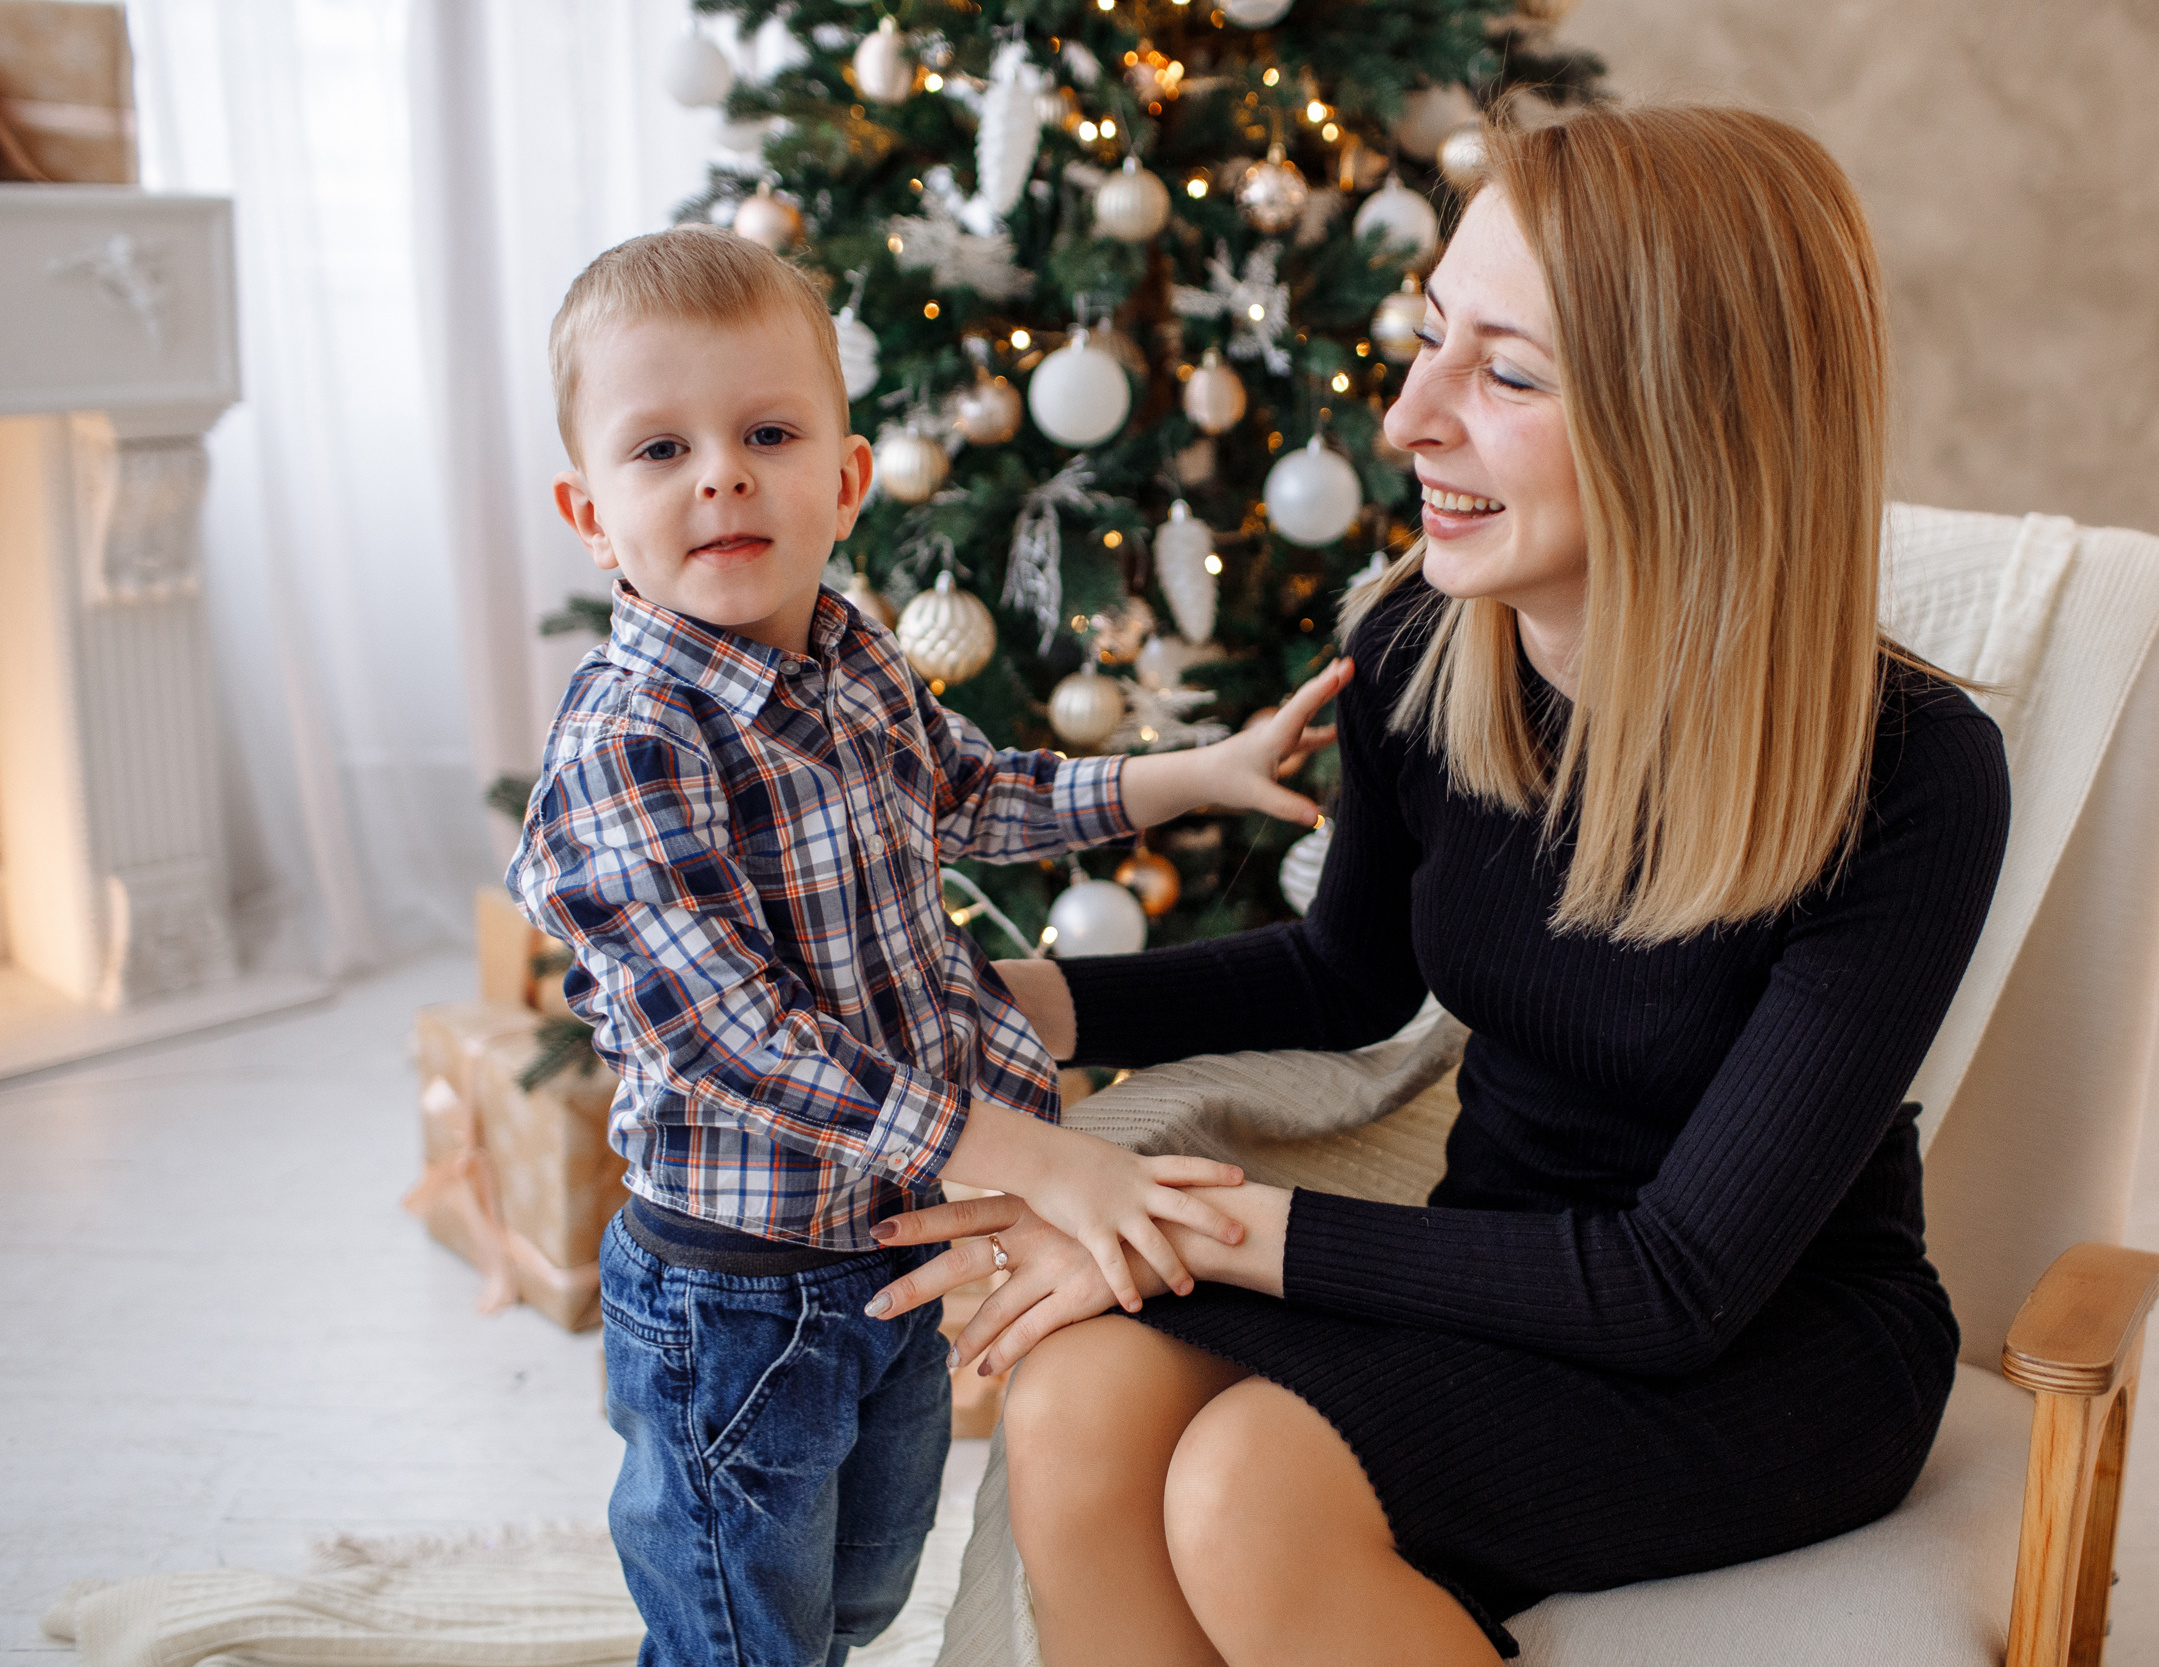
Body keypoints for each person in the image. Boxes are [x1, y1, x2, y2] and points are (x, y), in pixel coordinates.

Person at [864, 104, 2015, 1666]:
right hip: (1490, 1268)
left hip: (1769, 1351)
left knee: (1246, 1493)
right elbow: (1345, 976)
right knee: (1074, 1404)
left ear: (1697, 422)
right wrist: (1003, 1004)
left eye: (1508, 373)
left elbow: (1675, 1284)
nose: (1408, 419)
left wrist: (1184, 1225)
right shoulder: (1422, 641)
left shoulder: (1911, 773)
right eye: (1428, 341)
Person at [506, 225, 1352, 1667]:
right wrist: (1031, 1156)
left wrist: (1188, 774)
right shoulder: (629, 745)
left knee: (857, 1596)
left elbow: (975, 791)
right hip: (735, 1289)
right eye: (662, 451)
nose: (720, 473)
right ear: (592, 513)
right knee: (738, 1634)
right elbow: (733, 1038)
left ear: (843, 482)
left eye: (766, 432)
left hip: (891, 1257)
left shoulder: (850, 655)